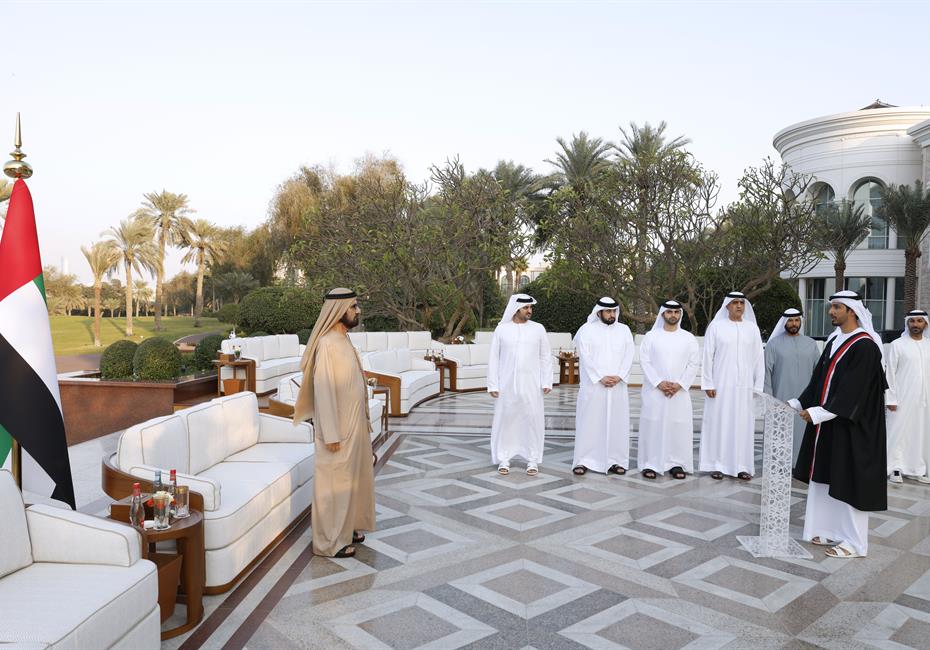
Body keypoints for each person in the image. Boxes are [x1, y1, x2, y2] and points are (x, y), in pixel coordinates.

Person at [791, 290, 887, 558]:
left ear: (852, 311)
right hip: (831, 424)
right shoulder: (834, 340)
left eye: (837, 307)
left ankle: (854, 543)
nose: (831, 311)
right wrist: (799, 403)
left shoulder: (865, 345)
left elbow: (854, 390)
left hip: (854, 426)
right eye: (831, 307)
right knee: (825, 476)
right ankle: (828, 530)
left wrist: (821, 413)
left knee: (850, 482)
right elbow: (819, 379)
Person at [293, 288, 375, 558]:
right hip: (337, 429)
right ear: (339, 311)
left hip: (355, 427)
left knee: (354, 480)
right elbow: (324, 391)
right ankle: (330, 542)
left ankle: (348, 527)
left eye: (357, 306)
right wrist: (330, 432)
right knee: (334, 484)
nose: (358, 311)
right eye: (353, 307)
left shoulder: (344, 340)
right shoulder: (327, 344)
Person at [699, 291, 764, 481]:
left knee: (742, 425)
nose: (738, 306)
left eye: (741, 303)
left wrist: (757, 386)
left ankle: (741, 466)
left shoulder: (752, 328)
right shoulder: (716, 327)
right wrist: (708, 383)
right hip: (720, 385)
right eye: (735, 302)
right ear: (727, 305)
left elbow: (759, 358)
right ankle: (715, 464)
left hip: (744, 387)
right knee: (719, 423)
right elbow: (708, 356)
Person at [487, 293, 553, 476]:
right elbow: (494, 358)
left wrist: (547, 381)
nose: (529, 311)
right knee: (506, 420)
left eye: (531, 308)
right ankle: (504, 458)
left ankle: (532, 460)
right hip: (507, 384)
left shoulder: (538, 329)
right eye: (526, 308)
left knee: (532, 420)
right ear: (516, 309)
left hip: (532, 384)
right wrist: (493, 384)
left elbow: (545, 356)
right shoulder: (502, 329)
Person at [572, 297, 635, 476]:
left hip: (617, 386)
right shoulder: (586, 330)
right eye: (608, 311)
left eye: (614, 311)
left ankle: (616, 461)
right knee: (589, 423)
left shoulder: (624, 330)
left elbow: (629, 355)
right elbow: (585, 357)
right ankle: (583, 460)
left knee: (617, 424)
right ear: (599, 312)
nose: (611, 314)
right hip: (594, 387)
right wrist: (600, 377)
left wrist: (619, 376)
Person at [638, 300, 700, 479]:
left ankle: (676, 464)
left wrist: (679, 384)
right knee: (653, 425)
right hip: (655, 392)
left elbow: (694, 363)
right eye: (669, 312)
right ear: (663, 314)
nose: (673, 315)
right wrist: (658, 382)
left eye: (676, 312)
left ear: (680, 314)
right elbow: (645, 361)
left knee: (678, 427)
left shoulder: (688, 338)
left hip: (679, 393)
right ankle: (650, 463)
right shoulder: (651, 336)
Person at [764, 307, 820, 464]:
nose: (794, 323)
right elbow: (766, 374)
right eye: (790, 320)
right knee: (782, 433)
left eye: (796, 320)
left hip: (806, 400)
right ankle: (782, 463)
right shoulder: (773, 345)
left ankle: (801, 464)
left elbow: (819, 372)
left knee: (804, 433)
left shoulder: (811, 344)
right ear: (784, 322)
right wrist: (770, 400)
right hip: (782, 398)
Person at [885, 309, 930, 484]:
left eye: (919, 321)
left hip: (924, 399)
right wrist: (891, 398)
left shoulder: (928, 344)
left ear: (925, 324)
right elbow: (890, 374)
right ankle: (895, 467)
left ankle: (916, 468)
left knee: (920, 432)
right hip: (902, 398)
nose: (916, 325)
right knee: (898, 431)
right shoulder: (898, 344)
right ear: (907, 323)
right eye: (912, 321)